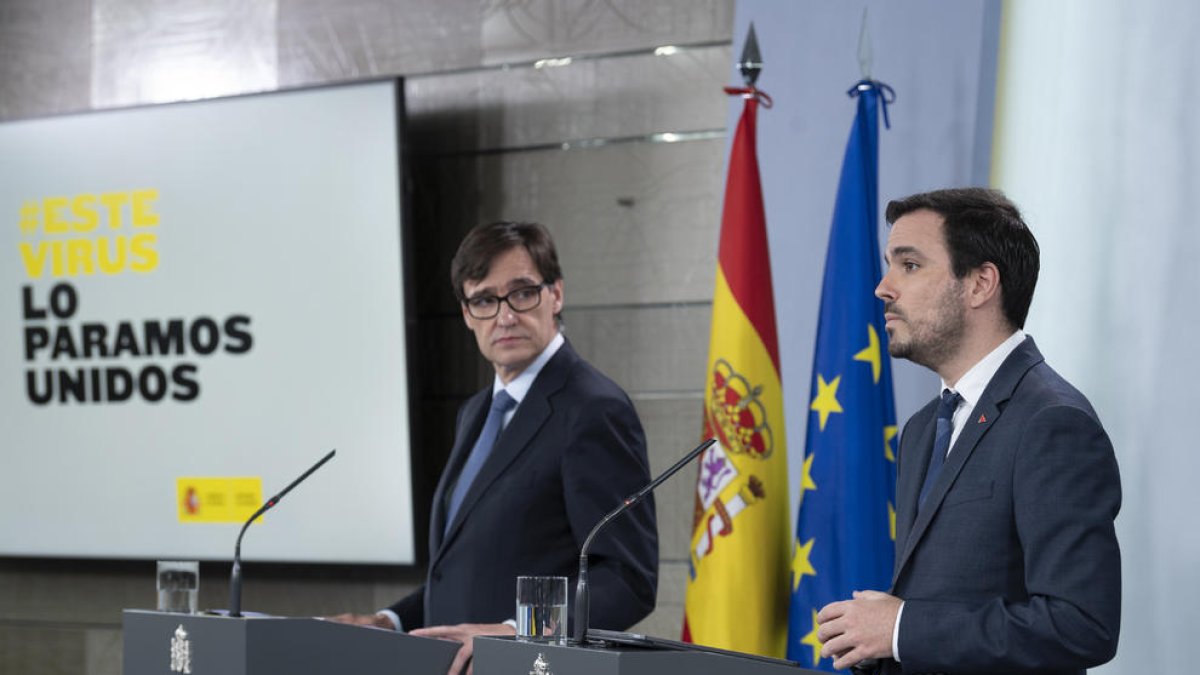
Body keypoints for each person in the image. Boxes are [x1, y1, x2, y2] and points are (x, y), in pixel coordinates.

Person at [815, 188, 1121, 674]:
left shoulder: (1052, 422)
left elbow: (1080, 625)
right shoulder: (922, 429)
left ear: (980, 284)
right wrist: (878, 640)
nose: (884, 287)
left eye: (909, 265)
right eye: (889, 264)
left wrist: (901, 628)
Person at [331, 221, 658, 675]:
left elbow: (626, 578)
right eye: (485, 299)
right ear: (467, 314)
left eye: (522, 293)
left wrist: (515, 633)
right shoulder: (477, 411)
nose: (505, 316)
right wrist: (392, 620)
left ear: (556, 295)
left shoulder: (593, 408)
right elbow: (470, 571)